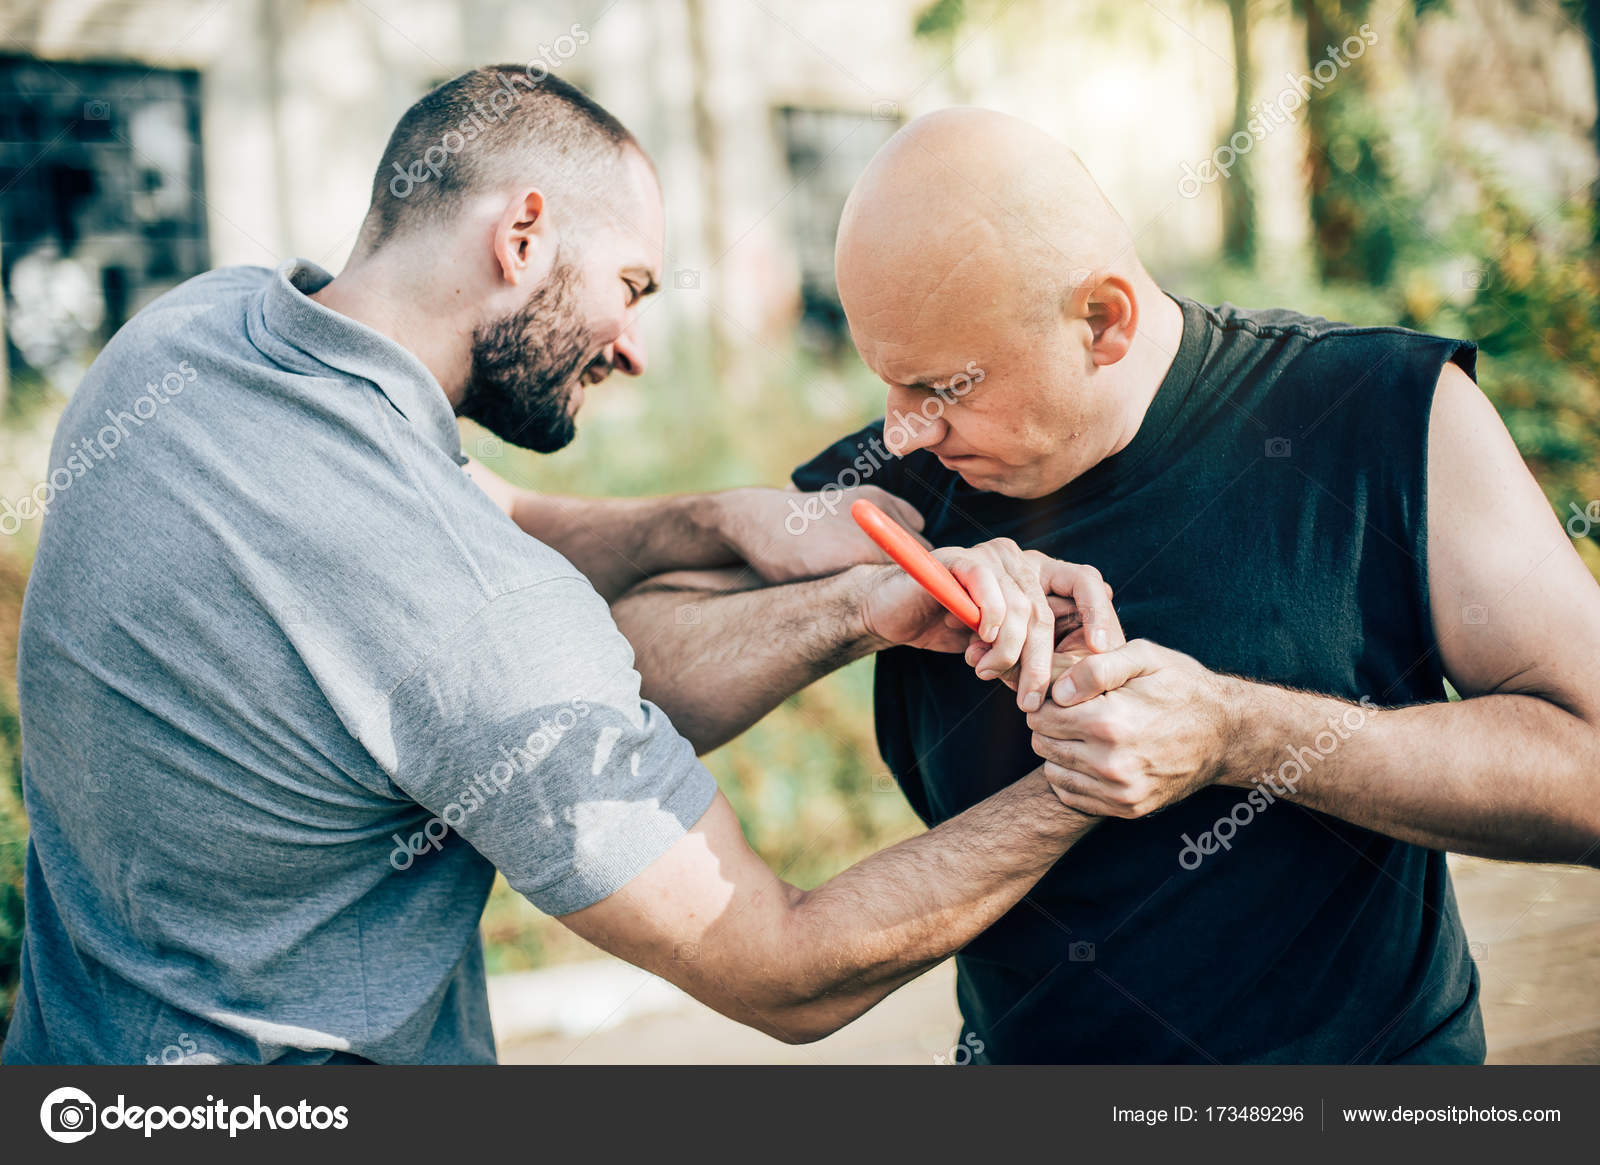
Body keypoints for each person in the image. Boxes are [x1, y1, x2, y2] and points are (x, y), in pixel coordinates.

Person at [2, 71, 1120, 1065]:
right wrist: (1091, 772)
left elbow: (475, 508)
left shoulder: (189, 338)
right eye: (632, 285)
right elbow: (786, 966)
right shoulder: (472, 613)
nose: (634, 346)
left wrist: (734, 527)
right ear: (523, 235)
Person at [613, 108, 1600, 1063]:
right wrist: (853, 608)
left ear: (1101, 320)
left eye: (940, 386)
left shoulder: (1379, 415)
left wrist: (1233, 731)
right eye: (885, 381)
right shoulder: (902, 480)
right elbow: (623, 669)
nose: (904, 426)